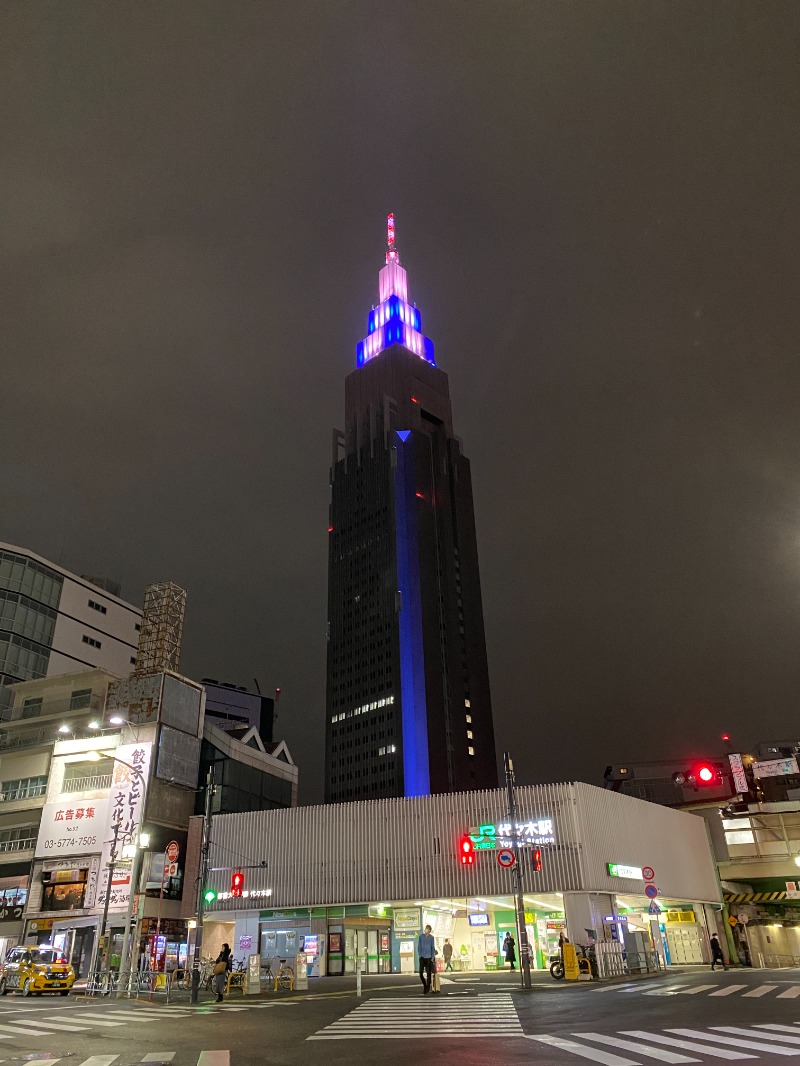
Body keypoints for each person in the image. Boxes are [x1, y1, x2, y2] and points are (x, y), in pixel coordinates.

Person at [417, 924, 435, 995]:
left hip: (429, 957)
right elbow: (419, 946)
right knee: (420, 973)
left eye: (427, 929)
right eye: (426, 928)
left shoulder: (431, 937)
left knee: (428, 974)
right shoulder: (421, 936)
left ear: (429, 930)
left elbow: (432, 947)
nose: (426, 930)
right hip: (422, 957)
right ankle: (424, 985)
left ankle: (427, 989)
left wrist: (432, 957)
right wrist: (420, 955)